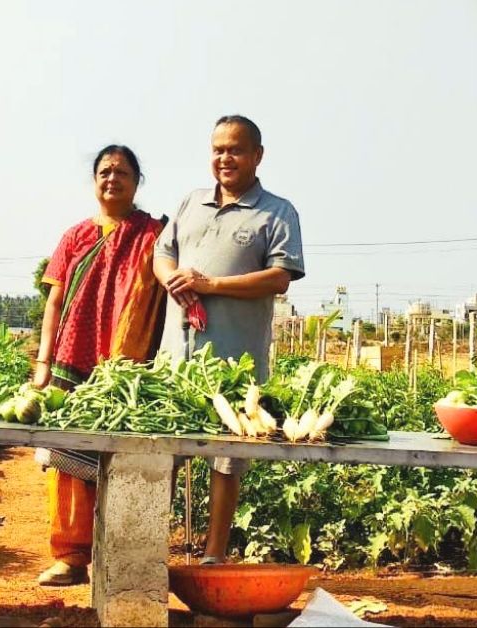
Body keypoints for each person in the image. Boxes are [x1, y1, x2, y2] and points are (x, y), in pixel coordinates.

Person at [153, 115, 305, 563]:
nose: (225, 158)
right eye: (218, 149)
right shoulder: (190, 203)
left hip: (236, 362)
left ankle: (213, 554)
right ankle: (150, 551)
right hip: (176, 360)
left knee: (227, 460)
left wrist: (211, 285)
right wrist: (173, 282)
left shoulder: (277, 211)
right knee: (163, 455)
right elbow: (163, 254)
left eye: (236, 149)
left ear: (257, 156)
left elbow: (280, 278)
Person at [31, 144, 167, 585]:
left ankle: (121, 557)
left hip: (129, 363)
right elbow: (54, 301)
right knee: (68, 456)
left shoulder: (154, 234)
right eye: (105, 172)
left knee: (125, 457)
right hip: (74, 357)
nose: (113, 179)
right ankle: (69, 557)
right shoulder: (75, 237)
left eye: (122, 172)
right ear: (95, 181)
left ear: (136, 182)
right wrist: (43, 362)